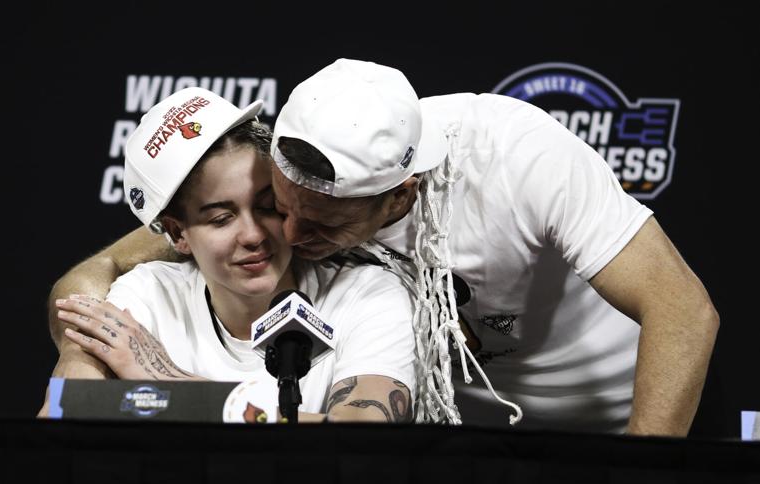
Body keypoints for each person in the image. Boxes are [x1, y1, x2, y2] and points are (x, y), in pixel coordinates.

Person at [44, 59, 718, 437]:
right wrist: (81, 311)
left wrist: (640, 469)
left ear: (400, 196)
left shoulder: (513, 156)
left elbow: (682, 311)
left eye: (322, 226)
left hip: (613, 412)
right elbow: (126, 257)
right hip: (457, 433)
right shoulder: (312, 161)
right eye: (283, 203)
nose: (287, 236)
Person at [45, 87, 417, 422]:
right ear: (178, 233)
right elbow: (64, 417)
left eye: (269, 207)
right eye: (222, 219)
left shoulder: (366, 294)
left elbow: (362, 439)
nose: (253, 235)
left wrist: (167, 382)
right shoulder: (149, 294)